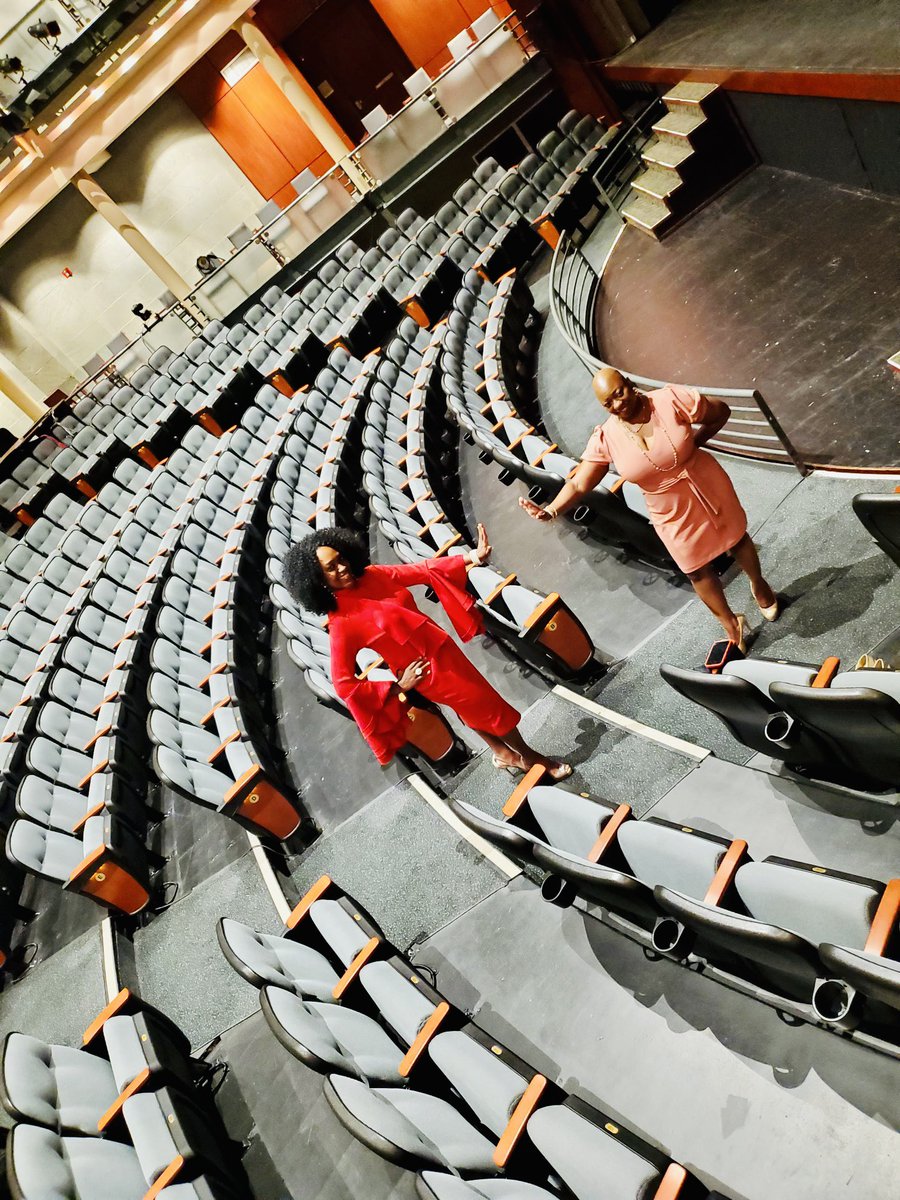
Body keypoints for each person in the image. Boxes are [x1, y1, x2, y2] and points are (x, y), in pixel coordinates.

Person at [281, 525, 572, 779]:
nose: (341, 568)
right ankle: (531, 757)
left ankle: (500, 752)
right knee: (486, 704)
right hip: (426, 672)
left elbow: (423, 570)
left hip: (443, 647)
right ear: (317, 581)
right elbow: (344, 683)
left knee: (469, 707)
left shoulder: (373, 575)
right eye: (330, 568)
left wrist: (471, 557)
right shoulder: (341, 623)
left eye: (340, 559)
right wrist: (396, 688)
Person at [519, 368, 778, 649]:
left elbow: (720, 411)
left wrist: (696, 442)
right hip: (667, 509)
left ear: (630, 384)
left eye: (619, 393)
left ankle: (758, 584)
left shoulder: (669, 400)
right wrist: (552, 510)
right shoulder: (607, 436)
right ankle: (731, 624)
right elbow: (580, 482)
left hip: (704, 482)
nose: (618, 404)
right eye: (608, 403)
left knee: (735, 539)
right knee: (695, 569)